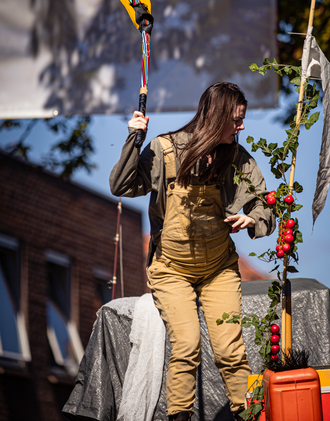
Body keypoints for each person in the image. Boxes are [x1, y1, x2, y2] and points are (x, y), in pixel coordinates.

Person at [109, 82, 275, 421]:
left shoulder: (236, 158)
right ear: (215, 116)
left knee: (232, 351)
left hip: (219, 269)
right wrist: (134, 138)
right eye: (236, 120)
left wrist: (252, 216)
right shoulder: (165, 150)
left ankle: (251, 416)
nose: (241, 127)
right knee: (185, 346)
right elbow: (122, 185)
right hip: (171, 269)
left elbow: (267, 207)